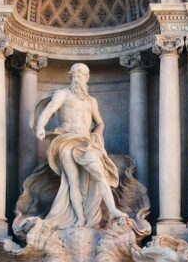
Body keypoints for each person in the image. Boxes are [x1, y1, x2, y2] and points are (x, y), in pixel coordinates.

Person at [32, 63, 128, 229]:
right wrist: (41, 127)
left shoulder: (91, 101)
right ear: (70, 77)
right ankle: (80, 218)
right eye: (74, 75)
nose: (77, 78)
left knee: (100, 174)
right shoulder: (63, 94)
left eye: (81, 75)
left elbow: (100, 123)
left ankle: (112, 210)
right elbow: (47, 111)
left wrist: (97, 133)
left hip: (86, 142)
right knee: (72, 181)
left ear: (87, 78)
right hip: (66, 141)